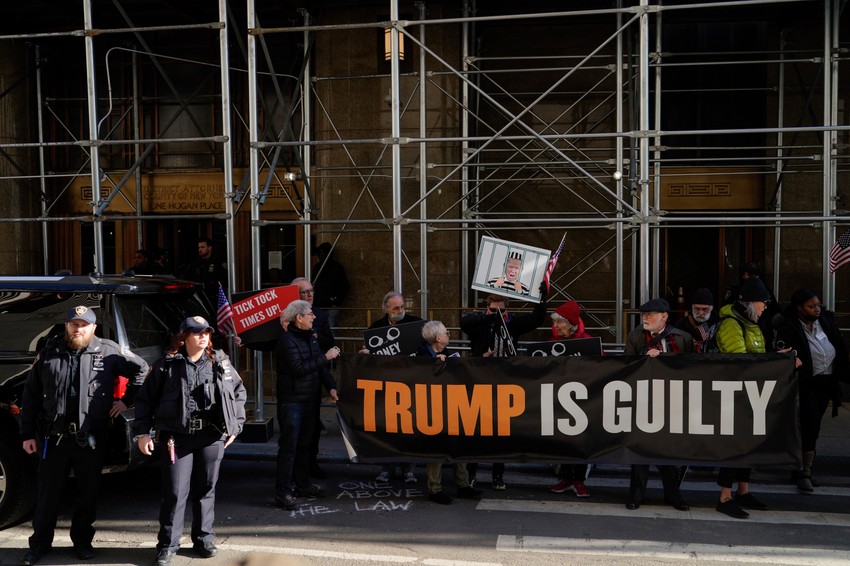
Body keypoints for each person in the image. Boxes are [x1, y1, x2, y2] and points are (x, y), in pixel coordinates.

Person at [19, 306, 149, 566]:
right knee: (47, 495)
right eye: (73, 324)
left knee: (86, 494)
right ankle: (39, 545)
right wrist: (26, 433)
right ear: (66, 326)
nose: (78, 329)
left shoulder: (109, 351)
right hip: (52, 438)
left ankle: (82, 542)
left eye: (84, 324)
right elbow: (31, 395)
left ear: (93, 328)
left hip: (90, 438)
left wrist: (125, 402)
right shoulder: (49, 353)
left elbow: (142, 371)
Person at [133, 316, 246, 566]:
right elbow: (145, 401)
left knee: (206, 489)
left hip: (211, 435)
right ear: (184, 337)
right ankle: (168, 545)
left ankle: (204, 538)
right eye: (197, 333)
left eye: (206, 332)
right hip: (177, 439)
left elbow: (238, 392)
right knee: (174, 492)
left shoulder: (220, 362)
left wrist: (235, 426)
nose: (203, 336)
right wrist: (142, 433)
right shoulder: (167, 365)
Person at [714, 276, 790, 518]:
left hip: (752, 395)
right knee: (735, 446)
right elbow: (741, 362)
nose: (766, 306)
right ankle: (724, 496)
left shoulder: (751, 324)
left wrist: (778, 357)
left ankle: (743, 491)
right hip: (734, 395)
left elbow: (758, 356)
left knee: (750, 445)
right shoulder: (730, 325)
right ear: (750, 302)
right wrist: (775, 361)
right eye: (763, 302)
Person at [461, 283, 547, 489]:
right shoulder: (480, 322)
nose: (498, 314)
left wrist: (542, 298)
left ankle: (497, 476)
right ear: (487, 308)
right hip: (480, 381)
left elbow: (535, 320)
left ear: (507, 310)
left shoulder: (512, 323)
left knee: (501, 431)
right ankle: (470, 475)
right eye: (493, 310)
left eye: (501, 311)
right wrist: (490, 317)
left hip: (504, 381)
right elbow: (465, 323)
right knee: (476, 431)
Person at [775, 288, 849, 492]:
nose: (817, 309)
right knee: (810, 424)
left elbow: (839, 346)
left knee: (813, 427)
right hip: (805, 384)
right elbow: (784, 353)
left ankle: (802, 467)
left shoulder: (825, 321)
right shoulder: (789, 327)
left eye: (818, 305)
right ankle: (803, 471)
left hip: (826, 383)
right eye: (811, 306)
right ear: (800, 308)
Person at [623, 298, 692, 512]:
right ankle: (636, 495)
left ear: (664, 317)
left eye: (650, 314)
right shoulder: (635, 336)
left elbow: (691, 366)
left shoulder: (682, 338)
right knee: (640, 448)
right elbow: (626, 366)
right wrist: (645, 358)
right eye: (644, 314)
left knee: (669, 450)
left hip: (672, 399)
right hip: (643, 399)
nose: (645, 318)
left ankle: (673, 494)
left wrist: (665, 358)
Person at [274, 300, 340, 511]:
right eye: (310, 314)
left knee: (305, 445)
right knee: (289, 448)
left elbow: (320, 370)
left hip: (310, 400)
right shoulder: (287, 341)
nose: (314, 317)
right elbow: (298, 368)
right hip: (292, 402)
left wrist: (331, 387)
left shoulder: (311, 338)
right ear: (299, 318)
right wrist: (325, 357)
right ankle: (283, 491)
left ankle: (303, 485)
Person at [415, 320, 482, 504]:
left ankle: (464, 485)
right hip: (432, 409)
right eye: (446, 332)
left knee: (457, 446)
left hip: (449, 407)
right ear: (437, 337)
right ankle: (435, 489)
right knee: (437, 449)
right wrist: (434, 365)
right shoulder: (422, 356)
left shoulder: (443, 354)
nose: (448, 335)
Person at [366, 291, 422, 484]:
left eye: (402, 307)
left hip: (410, 384)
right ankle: (386, 469)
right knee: (387, 430)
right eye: (396, 308)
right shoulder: (376, 329)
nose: (400, 311)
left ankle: (409, 470)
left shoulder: (416, 324)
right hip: (387, 385)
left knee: (409, 430)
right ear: (386, 309)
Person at [548, 301, 593, 497]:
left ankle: (579, 480)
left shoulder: (588, 343)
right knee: (563, 442)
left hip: (583, 402)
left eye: (560, 322)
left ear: (571, 324)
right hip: (559, 401)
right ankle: (565, 477)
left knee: (580, 443)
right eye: (555, 323)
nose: (556, 326)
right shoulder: (551, 345)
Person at [292, 277, 335, 480]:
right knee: (295, 435)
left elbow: (328, 344)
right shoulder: (287, 320)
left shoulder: (320, 316)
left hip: (315, 383)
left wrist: (331, 387)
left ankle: (311, 465)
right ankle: (296, 474)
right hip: (293, 389)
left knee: (313, 428)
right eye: (304, 292)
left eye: (311, 291)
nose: (310, 295)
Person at [180, 237, 228, 307]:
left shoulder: (218, 263)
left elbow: (224, 281)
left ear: (209, 248)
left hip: (215, 299)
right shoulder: (195, 264)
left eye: (202, 247)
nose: (200, 250)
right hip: (199, 299)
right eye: (199, 247)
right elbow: (187, 280)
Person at [312, 242, 350, 329]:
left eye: (323, 252)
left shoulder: (337, 267)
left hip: (331, 307)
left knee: (331, 330)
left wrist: (335, 300)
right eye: (320, 253)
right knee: (317, 330)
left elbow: (345, 286)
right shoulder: (317, 267)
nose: (321, 255)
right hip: (318, 306)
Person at [673, 288, 719, 353]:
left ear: (711, 308)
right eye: (697, 308)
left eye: (705, 309)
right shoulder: (681, 324)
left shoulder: (718, 324)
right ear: (692, 307)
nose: (700, 313)